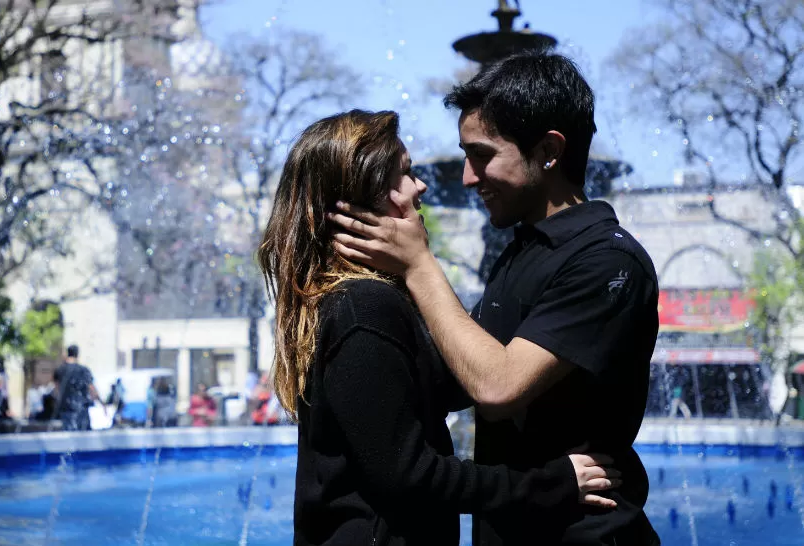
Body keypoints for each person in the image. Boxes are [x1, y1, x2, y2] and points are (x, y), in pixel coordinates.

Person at [328, 54, 660, 545]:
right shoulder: (520, 253)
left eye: (481, 155)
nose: (467, 176)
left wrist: (420, 266)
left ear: (549, 151)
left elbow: (497, 386)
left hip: (586, 531)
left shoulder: (607, 262)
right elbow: (450, 378)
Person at [258, 109, 621, 546]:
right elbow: (408, 473)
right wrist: (552, 484)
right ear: (361, 200)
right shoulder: (364, 307)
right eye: (404, 175)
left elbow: (450, 384)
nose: (420, 187)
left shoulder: (357, 299)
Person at [53, 345, 105, 431]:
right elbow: (91, 388)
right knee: (83, 438)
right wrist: (102, 403)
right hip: (81, 410)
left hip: (66, 409)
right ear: (77, 354)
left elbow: (56, 389)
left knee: (68, 436)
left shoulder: (60, 370)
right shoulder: (83, 370)